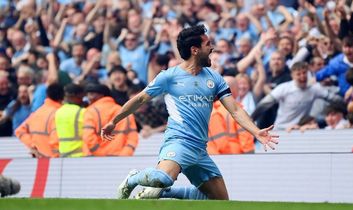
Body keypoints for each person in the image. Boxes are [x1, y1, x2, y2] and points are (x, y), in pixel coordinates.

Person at [101, 25, 278, 200]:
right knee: (162, 178)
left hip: (200, 149)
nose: (212, 48)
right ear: (195, 50)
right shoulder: (169, 76)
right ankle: (133, 178)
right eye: (207, 44)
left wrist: (256, 131)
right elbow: (140, 99)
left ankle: (164, 193)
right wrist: (114, 121)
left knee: (220, 201)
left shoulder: (214, 78)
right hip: (178, 141)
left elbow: (236, 109)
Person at [83, 83, 138, 156]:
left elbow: (88, 137)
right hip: (120, 159)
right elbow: (133, 137)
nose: (88, 98)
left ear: (101, 95)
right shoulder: (125, 112)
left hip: (95, 160)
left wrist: (101, 155)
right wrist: (124, 155)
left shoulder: (90, 111)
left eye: (91, 94)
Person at [15, 83, 64, 158]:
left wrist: (33, 145)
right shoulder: (58, 113)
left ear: (47, 95)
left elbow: (19, 131)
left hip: (39, 159)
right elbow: (55, 139)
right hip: (52, 160)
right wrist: (56, 157)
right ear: (62, 97)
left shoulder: (36, 113)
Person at [54, 84, 86, 158]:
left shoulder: (58, 112)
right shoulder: (82, 112)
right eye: (81, 97)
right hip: (79, 155)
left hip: (63, 154)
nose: (82, 100)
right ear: (76, 96)